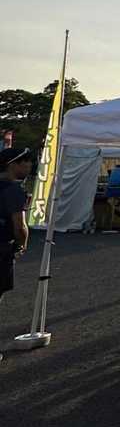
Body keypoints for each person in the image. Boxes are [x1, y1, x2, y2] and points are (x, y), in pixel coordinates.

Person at [0, 147, 33, 361]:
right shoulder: (13, 190)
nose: (29, 166)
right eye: (26, 162)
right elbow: (20, 226)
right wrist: (22, 244)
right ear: (13, 165)